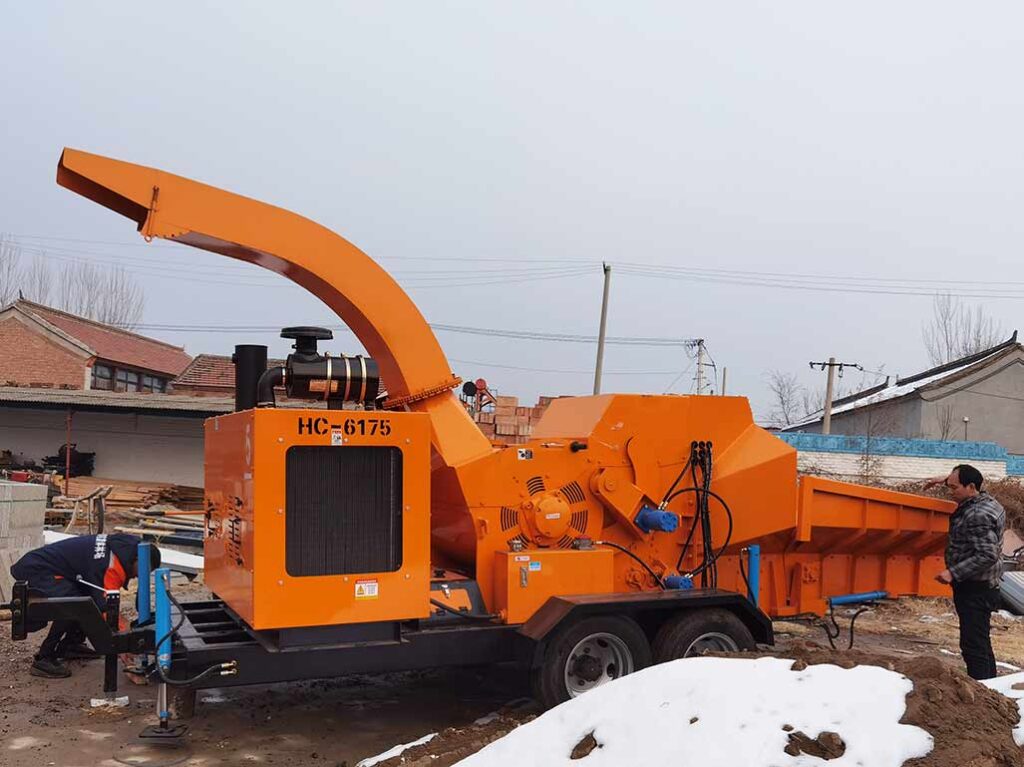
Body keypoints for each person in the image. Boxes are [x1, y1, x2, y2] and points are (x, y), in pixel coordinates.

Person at [9, 533, 158, 679]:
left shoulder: (124, 548)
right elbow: (107, 608)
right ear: (138, 559)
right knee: (73, 604)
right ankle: (44, 658)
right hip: (38, 569)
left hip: (50, 567)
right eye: (143, 571)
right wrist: (126, 642)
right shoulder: (111, 566)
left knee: (84, 598)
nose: (140, 576)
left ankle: (70, 645)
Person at [923, 464, 1005, 680]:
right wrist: (947, 479)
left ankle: (983, 693)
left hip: (975, 588)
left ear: (971, 487)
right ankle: (991, 689)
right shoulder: (987, 502)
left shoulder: (977, 515)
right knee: (980, 641)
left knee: (973, 645)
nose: (951, 492)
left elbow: (988, 554)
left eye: (954, 487)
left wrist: (953, 572)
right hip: (984, 585)